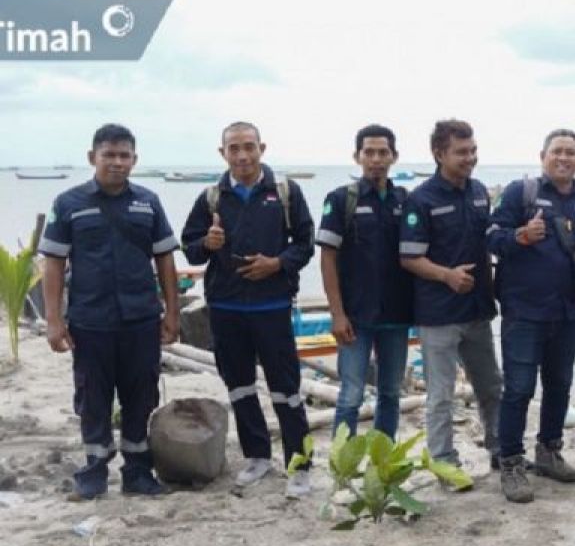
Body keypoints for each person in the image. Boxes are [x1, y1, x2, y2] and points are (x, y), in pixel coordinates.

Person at [39, 123, 179, 500]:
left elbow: (165, 259)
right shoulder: (68, 203)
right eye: (109, 155)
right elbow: (52, 263)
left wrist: (172, 313)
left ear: (135, 159)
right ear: (92, 158)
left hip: (140, 320)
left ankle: (137, 472)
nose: (117, 163)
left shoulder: (148, 202)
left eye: (124, 156)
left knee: (141, 395)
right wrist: (54, 320)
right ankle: (94, 472)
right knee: (92, 398)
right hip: (90, 321)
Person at [181, 121, 315, 497]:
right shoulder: (211, 197)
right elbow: (189, 247)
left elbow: (306, 244)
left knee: (286, 389)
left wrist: (277, 263)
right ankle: (257, 456)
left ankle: (300, 464)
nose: (242, 155)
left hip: (272, 306)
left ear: (262, 148)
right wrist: (207, 242)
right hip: (225, 307)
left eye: (249, 147)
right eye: (234, 148)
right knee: (239, 386)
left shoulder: (285, 192)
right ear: (222, 152)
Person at [487, 128, 575, 502]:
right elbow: (490, 237)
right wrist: (519, 236)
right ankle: (511, 462)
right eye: (557, 152)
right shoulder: (521, 193)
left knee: (560, 385)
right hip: (523, 310)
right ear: (543, 156)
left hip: (568, 310)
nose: (564, 158)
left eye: (571, 153)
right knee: (518, 389)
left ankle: (549, 450)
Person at [400, 119, 503, 484]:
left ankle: (499, 450)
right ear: (439, 153)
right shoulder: (421, 199)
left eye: (473, 150)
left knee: (491, 387)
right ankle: (444, 462)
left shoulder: (478, 192)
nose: (470, 158)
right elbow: (409, 257)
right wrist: (447, 275)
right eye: (461, 152)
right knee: (441, 396)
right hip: (439, 315)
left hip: (478, 311)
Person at [317, 124, 415, 439]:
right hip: (355, 317)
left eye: (382, 152)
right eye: (369, 152)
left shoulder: (406, 201)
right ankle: (341, 462)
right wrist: (337, 313)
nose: (376, 159)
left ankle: (383, 458)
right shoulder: (341, 199)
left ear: (394, 156)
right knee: (350, 395)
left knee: (390, 393)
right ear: (357, 157)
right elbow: (327, 258)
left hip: (396, 316)